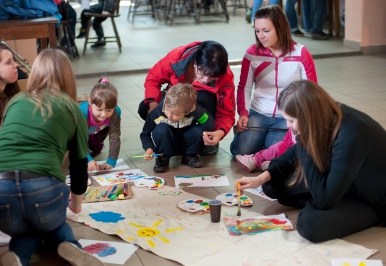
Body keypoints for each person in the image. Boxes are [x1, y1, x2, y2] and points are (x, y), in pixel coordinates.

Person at [0, 49, 109, 266]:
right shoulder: (72, 108)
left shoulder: (14, 102)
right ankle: (68, 245)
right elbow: (78, 166)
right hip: (41, 188)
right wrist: (76, 203)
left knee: (26, 228)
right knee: (50, 222)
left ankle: (19, 258)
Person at [236, 80, 386, 243]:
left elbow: (324, 201)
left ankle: (365, 216)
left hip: (371, 201)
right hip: (343, 184)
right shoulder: (326, 114)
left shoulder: (351, 133)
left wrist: (304, 143)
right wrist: (261, 178)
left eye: (292, 121)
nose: (289, 126)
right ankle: (329, 204)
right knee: (272, 183)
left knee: (309, 223)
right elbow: (294, 153)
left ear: (308, 117)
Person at [230, 5, 317, 159]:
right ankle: (261, 141)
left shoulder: (301, 53)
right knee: (240, 152)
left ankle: (266, 145)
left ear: (280, 28)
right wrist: (243, 113)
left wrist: (301, 119)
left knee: (277, 156)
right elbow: (244, 87)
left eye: (266, 30)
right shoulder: (251, 54)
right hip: (259, 112)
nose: (260, 36)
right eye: (257, 31)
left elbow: (311, 90)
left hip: (287, 115)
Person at [138, 41, 235, 156]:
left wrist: (219, 132)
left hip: (202, 108)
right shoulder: (176, 58)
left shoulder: (224, 74)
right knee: (145, 107)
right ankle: (169, 133)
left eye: (212, 77)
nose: (205, 80)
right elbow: (153, 79)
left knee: (202, 98)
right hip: (176, 103)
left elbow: (227, 112)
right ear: (195, 62)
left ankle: (200, 139)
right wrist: (153, 106)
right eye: (202, 73)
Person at [140, 83, 215, 173]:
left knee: (197, 130)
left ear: (188, 111)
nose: (169, 116)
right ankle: (163, 158)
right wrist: (149, 148)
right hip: (167, 145)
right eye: (167, 109)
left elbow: (210, 126)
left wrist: (196, 110)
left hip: (186, 144)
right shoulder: (156, 113)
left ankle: (190, 155)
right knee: (160, 130)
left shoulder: (192, 110)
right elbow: (145, 134)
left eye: (175, 114)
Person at [79, 77, 121, 172]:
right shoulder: (81, 112)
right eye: (99, 110)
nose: (104, 114)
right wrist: (88, 160)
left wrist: (111, 161)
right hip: (75, 133)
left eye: (109, 110)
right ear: (90, 102)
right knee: (75, 151)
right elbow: (78, 139)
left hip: (94, 130)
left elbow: (115, 137)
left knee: (97, 149)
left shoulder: (115, 113)